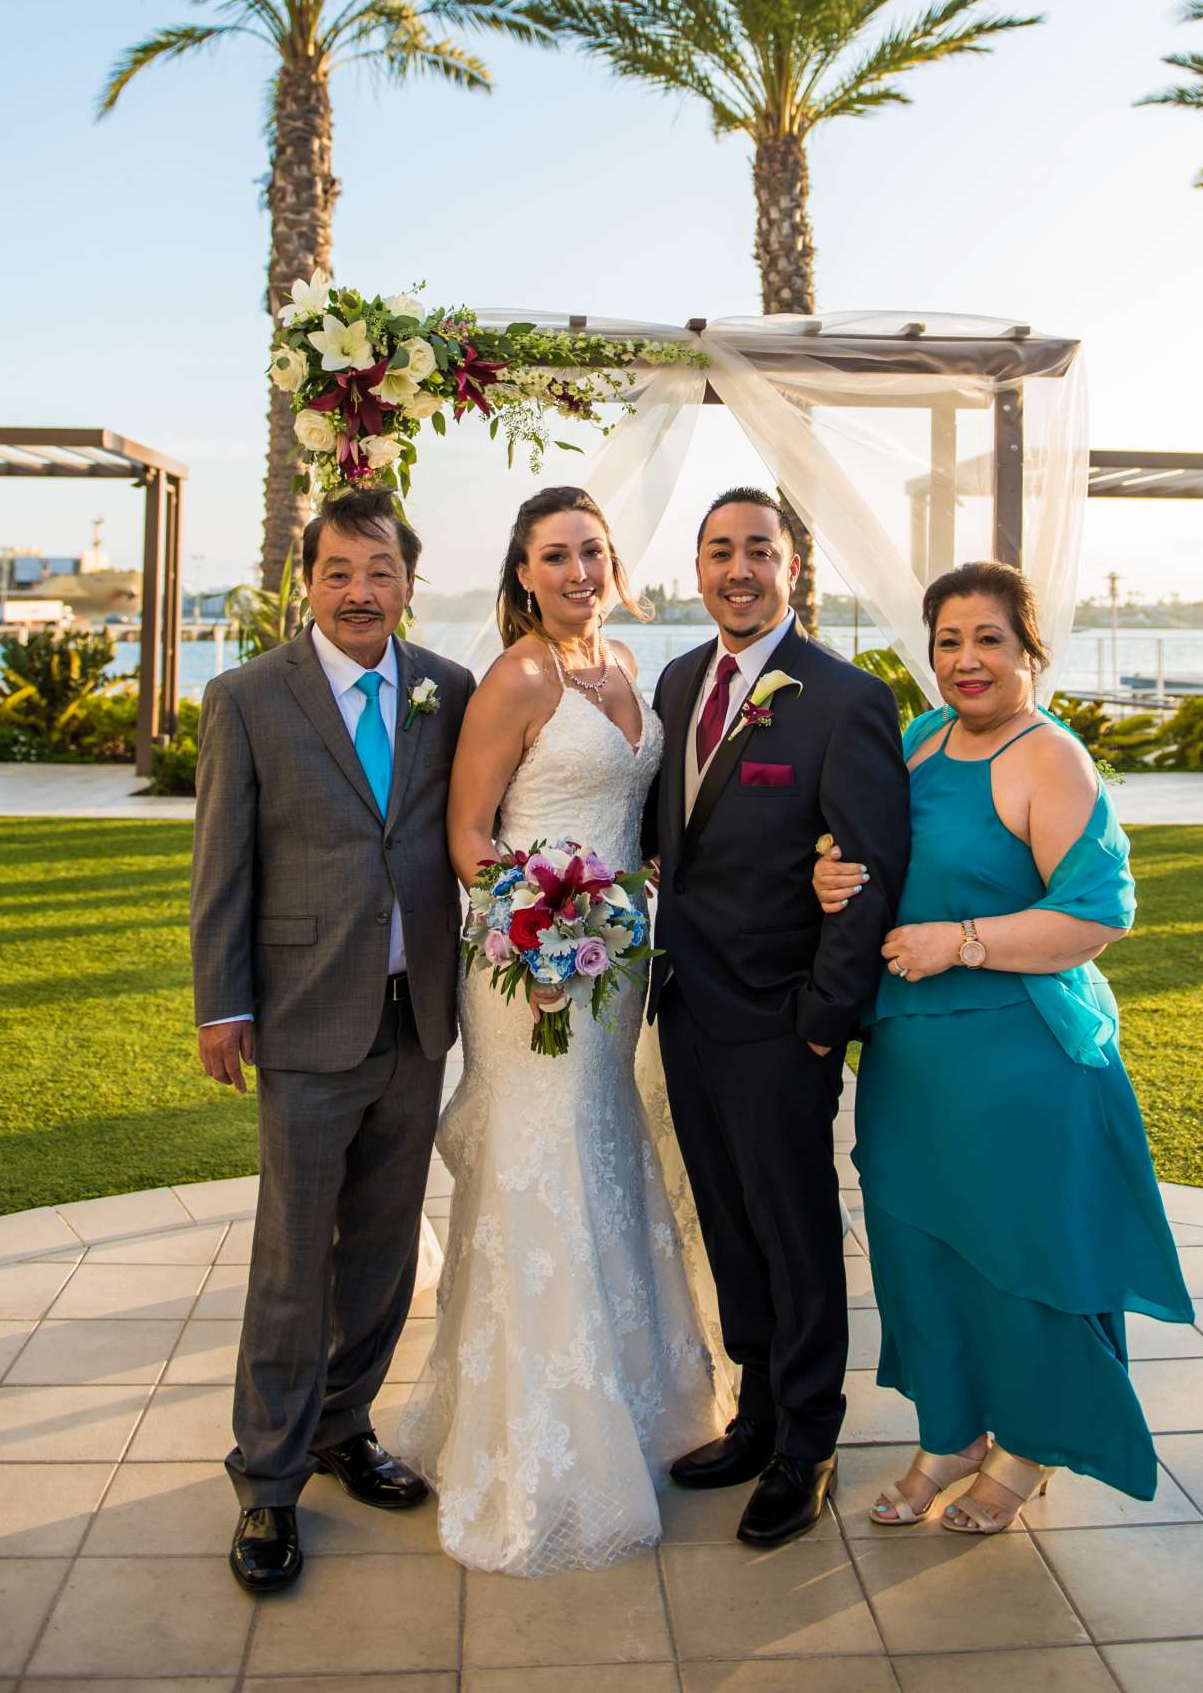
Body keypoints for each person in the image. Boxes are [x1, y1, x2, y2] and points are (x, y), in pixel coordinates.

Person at [812, 559, 1192, 1533]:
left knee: (1020, 1262)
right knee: (919, 1253)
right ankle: (951, 1435)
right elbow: (879, 863)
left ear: (1030, 650)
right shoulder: (920, 739)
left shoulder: (1049, 757)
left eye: (990, 640)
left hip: (1019, 1062)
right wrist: (832, 882)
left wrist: (965, 943)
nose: (968, 660)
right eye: (949, 642)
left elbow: (1096, 917)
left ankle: (1024, 1451)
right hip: (912, 1065)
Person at [397, 486, 728, 1576]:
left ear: (615, 563)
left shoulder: (628, 665)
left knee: (604, 1154)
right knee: (544, 1165)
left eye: (592, 551)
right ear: (524, 573)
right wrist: (536, 930)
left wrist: (616, 913)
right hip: (530, 974)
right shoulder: (519, 676)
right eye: (555, 556)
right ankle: (537, 1442)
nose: (578, 571)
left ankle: (629, 1405)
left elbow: (639, 819)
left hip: (615, 963)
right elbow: (469, 833)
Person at [190, 487, 474, 1594]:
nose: (361, 593)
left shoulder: (447, 693)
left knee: (385, 1250)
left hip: (418, 1020)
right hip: (306, 1017)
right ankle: (266, 1482)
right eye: (339, 573)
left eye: (382, 573)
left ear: (410, 582)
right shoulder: (247, 697)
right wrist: (224, 1003)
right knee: (291, 1256)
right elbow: (221, 865)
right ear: (306, 582)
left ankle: (343, 1427)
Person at [646, 488, 910, 1547]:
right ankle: (754, 1416)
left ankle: (808, 1439)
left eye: (760, 549)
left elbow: (874, 871)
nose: (738, 569)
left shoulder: (847, 700)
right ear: (698, 568)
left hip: (781, 1024)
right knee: (730, 1225)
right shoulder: (674, 681)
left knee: (797, 1237)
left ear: (795, 565)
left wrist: (819, 1023)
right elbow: (671, 839)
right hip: (688, 1012)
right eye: (720, 551)